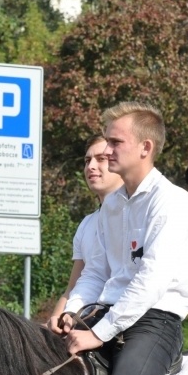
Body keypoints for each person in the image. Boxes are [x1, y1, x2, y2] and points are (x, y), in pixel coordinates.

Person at [53, 102, 188, 375]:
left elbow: (150, 280)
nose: (108, 150)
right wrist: (75, 312)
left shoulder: (174, 203)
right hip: (106, 316)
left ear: (145, 148)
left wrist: (97, 334)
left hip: (155, 322)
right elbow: (98, 271)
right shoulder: (111, 208)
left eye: (115, 142)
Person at [46, 134, 124, 332]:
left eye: (101, 159)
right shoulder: (87, 225)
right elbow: (74, 287)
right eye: (87, 160)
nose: (91, 166)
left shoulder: (138, 215)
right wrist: (56, 320)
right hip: (84, 321)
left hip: (125, 326)